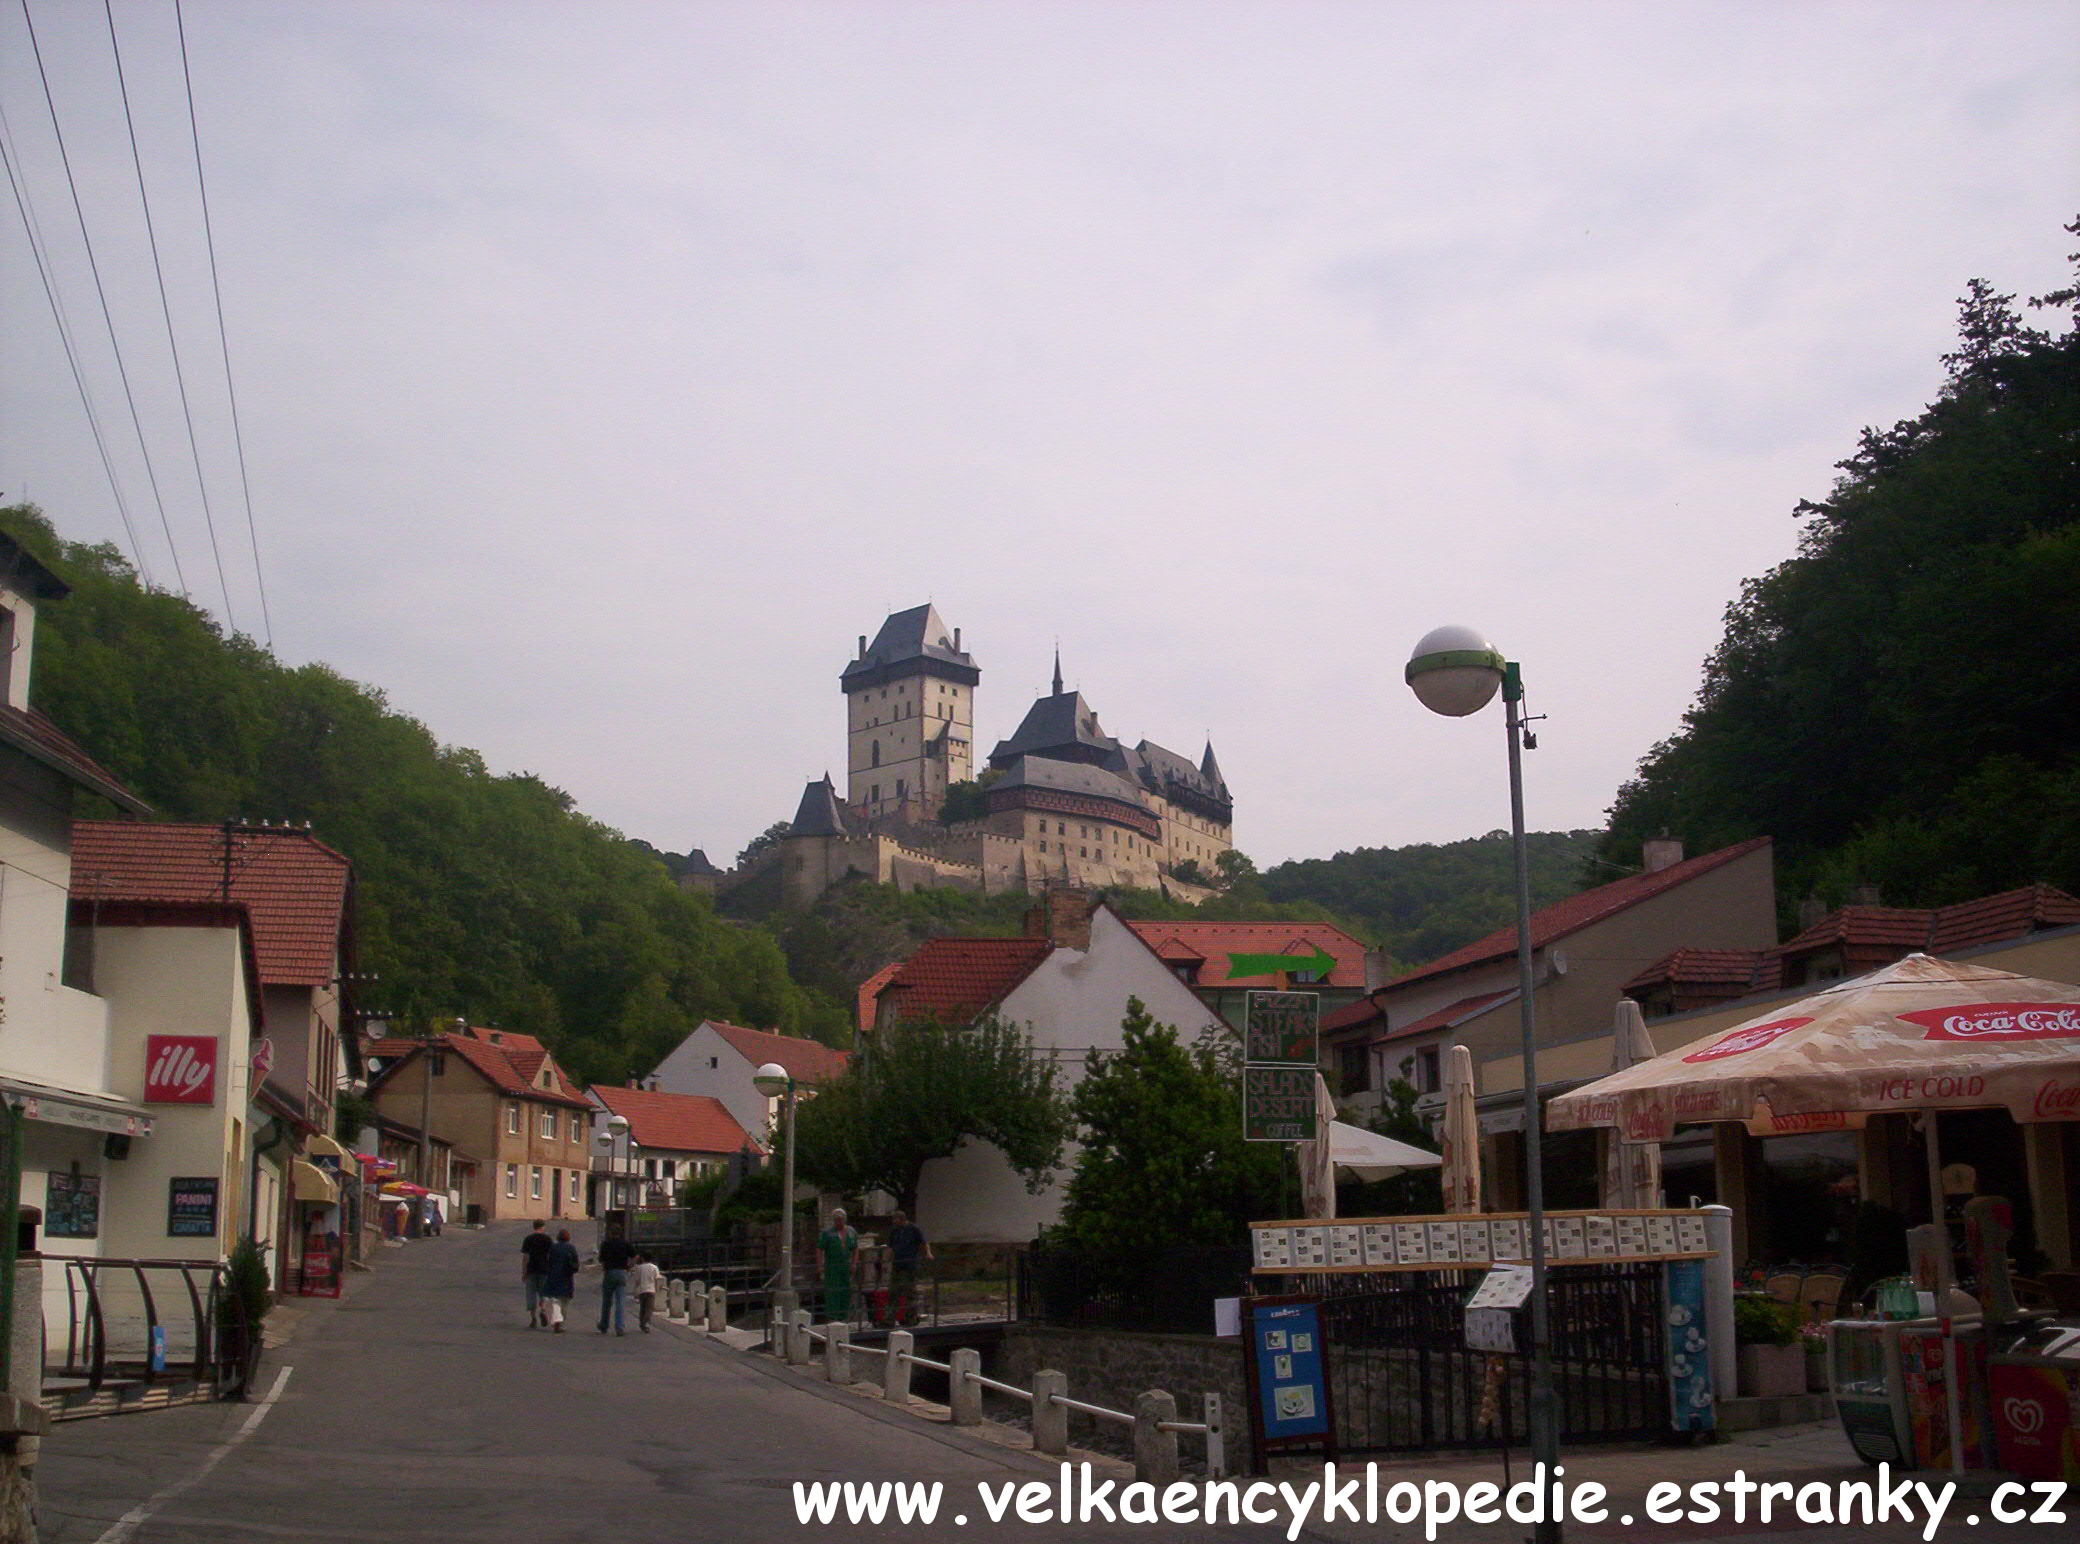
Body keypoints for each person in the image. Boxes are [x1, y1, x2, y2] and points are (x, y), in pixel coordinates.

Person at [887, 1209, 932, 1325]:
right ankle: (889, 1319)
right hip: (897, 1264)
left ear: (901, 1219)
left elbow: (924, 1241)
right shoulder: (894, 1231)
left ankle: (910, 1318)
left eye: (895, 1219)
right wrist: (887, 1258)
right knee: (893, 1292)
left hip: (910, 1265)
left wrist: (928, 1253)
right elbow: (890, 1246)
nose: (894, 1222)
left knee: (910, 1292)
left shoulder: (913, 1229)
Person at [817, 1207, 860, 1322]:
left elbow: (855, 1248)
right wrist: (820, 1265)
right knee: (832, 1290)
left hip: (846, 1265)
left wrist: (854, 1263)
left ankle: (843, 1315)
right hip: (832, 1266)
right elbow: (819, 1249)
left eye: (840, 1220)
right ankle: (833, 1316)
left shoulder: (851, 1231)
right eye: (836, 1220)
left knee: (846, 1290)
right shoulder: (827, 1233)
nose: (839, 1222)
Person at [597, 1224, 634, 1335]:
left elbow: (601, 1259)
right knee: (620, 1301)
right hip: (622, 1272)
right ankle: (619, 1327)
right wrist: (629, 1266)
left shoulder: (606, 1244)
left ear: (610, 1233)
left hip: (610, 1272)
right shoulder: (625, 1243)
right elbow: (635, 1256)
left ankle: (604, 1325)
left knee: (607, 1301)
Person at [541, 1227, 580, 1332]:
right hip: (566, 1277)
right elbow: (576, 1263)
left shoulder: (553, 1247)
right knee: (565, 1301)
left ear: (558, 1237)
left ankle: (557, 1321)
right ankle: (561, 1323)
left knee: (555, 1300)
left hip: (554, 1276)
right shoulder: (571, 1248)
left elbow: (548, 1261)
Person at [520, 1219, 552, 1327]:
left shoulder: (528, 1239)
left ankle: (533, 1318)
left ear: (534, 1227)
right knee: (543, 1292)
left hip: (531, 1270)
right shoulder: (547, 1239)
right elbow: (550, 1256)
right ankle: (542, 1309)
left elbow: (525, 1257)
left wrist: (524, 1272)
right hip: (544, 1270)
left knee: (531, 1294)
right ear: (542, 1227)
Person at [628, 1251, 662, 1333]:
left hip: (642, 1290)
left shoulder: (639, 1268)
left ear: (643, 1259)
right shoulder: (654, 1267)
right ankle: (646, 1323)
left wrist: (635, 1290)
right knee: (649, 1308)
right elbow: (657, 1278)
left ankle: (642, 1322)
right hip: (651, 1290)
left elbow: (637, 1280)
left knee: (642, 1308)